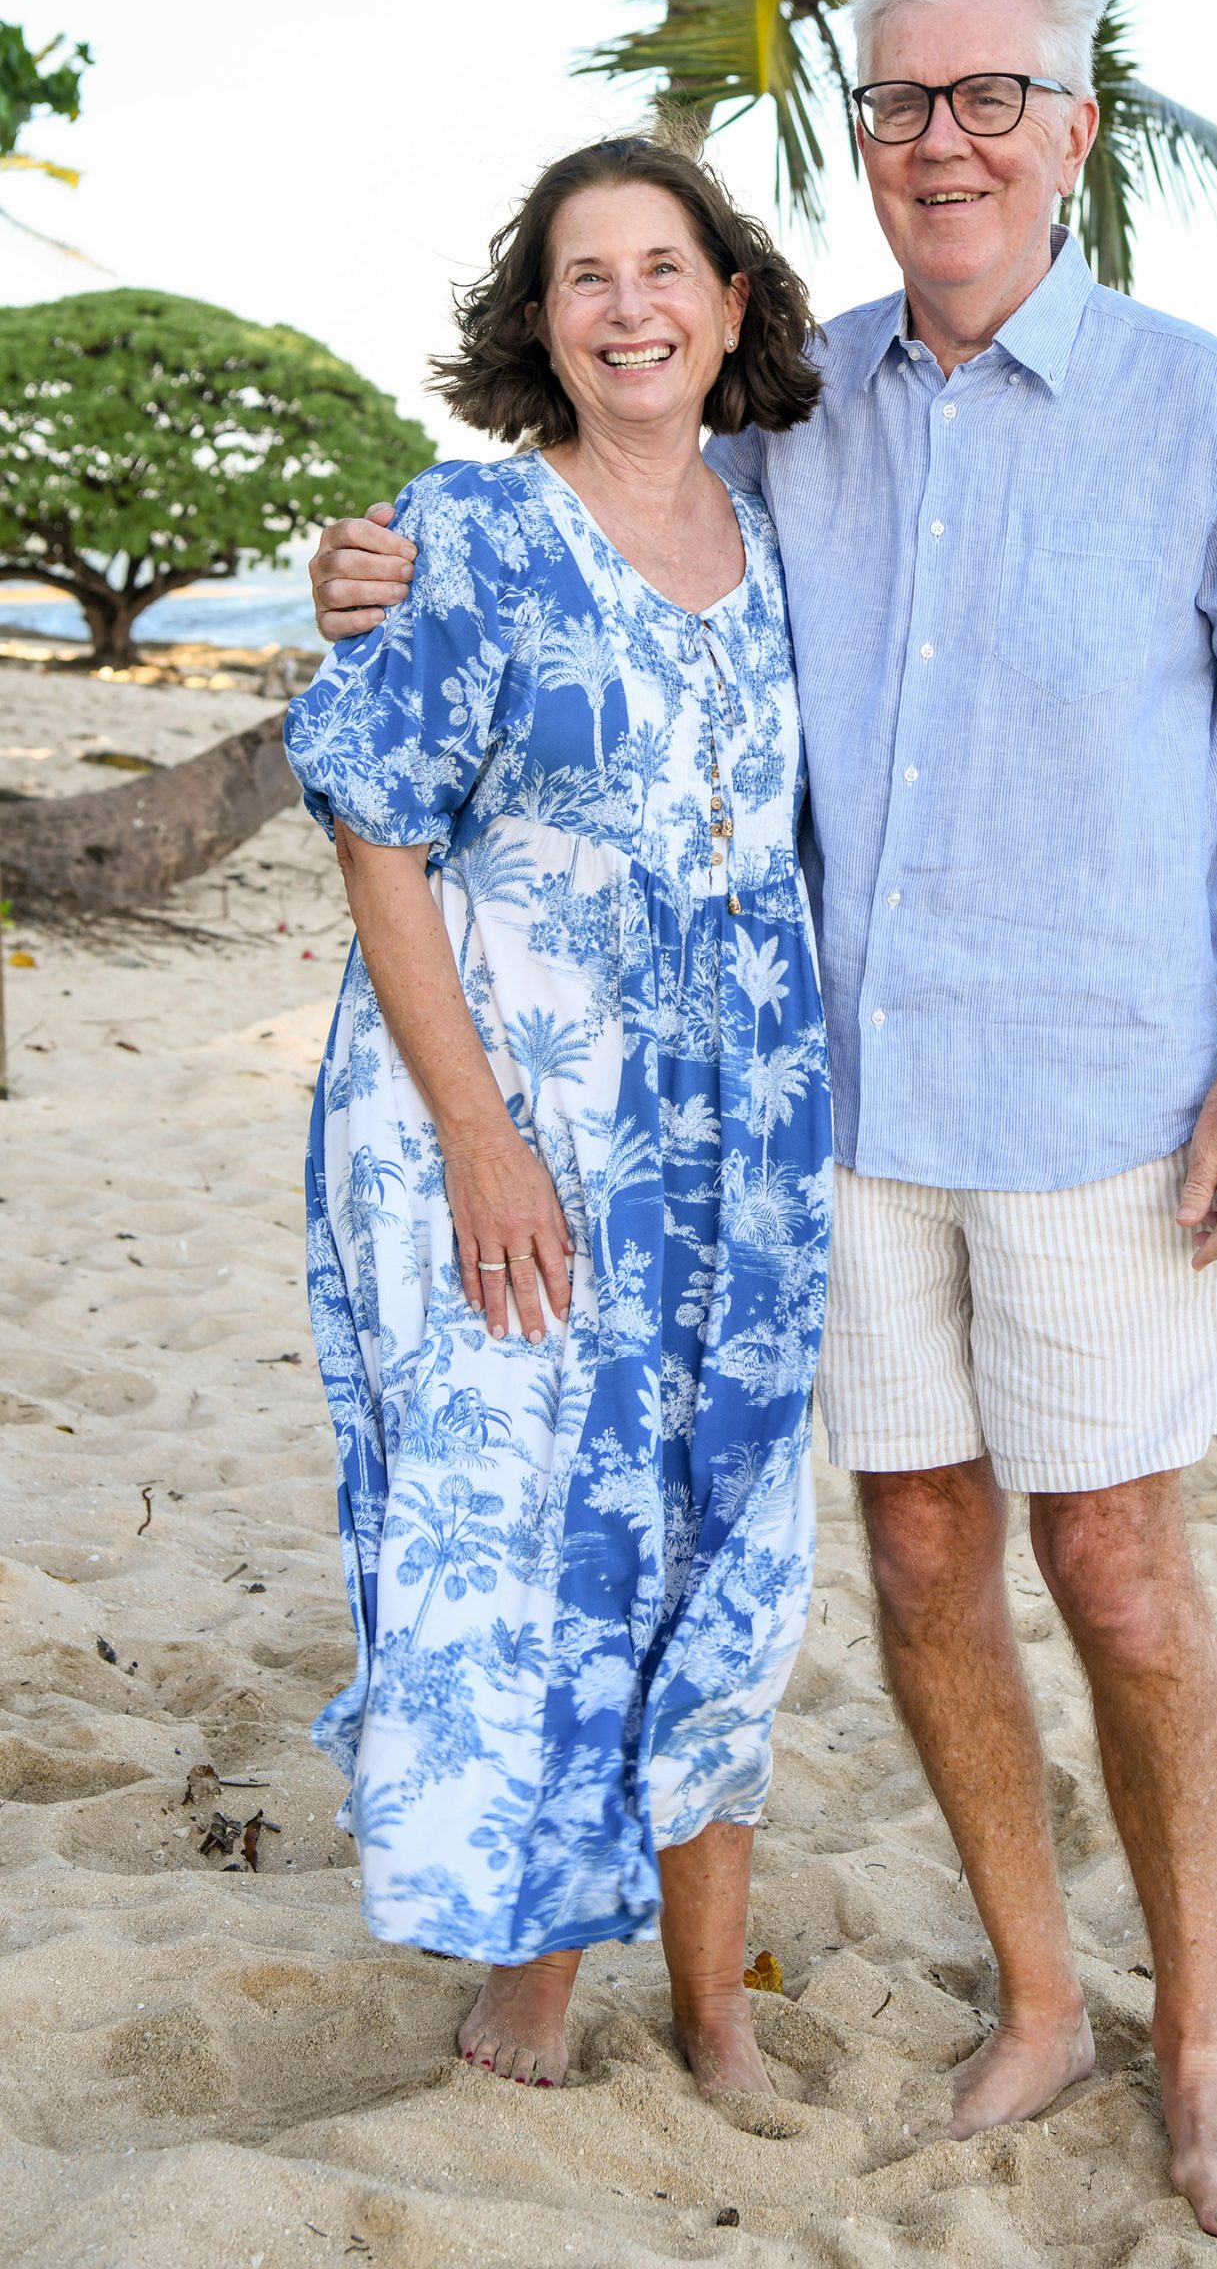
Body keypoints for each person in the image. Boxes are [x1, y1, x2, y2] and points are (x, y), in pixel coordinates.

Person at [308, 0, 1217, 2239]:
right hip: (845, 1119)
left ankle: (1199, 2037)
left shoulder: (1200, 406)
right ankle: (1041, 1996)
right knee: (916, 1547)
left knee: (1116, 1564)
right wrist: (373, 570)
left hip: (1116, 1103)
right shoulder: (800, 421)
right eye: (901, 102)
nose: (942, 141)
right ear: (863, 137)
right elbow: (599, 531)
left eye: (990, 96)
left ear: (1073, 131)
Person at [284, 139, 832, 2100]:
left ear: (732, 303)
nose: (628, 308)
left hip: (741, 1145)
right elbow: (377, 827)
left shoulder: (790, 533)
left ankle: (711, 1999)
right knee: (541, 1549)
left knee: (727, 1548)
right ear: (541, 320)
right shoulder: (473, 532)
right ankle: (535, 1969)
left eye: (662, 268)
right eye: (584, 276)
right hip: (506, 1127)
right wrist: (481, 1139)